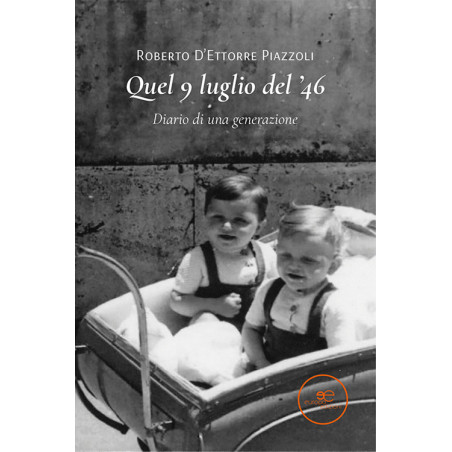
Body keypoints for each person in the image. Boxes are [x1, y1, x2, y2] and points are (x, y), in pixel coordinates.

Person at [242, 205, 357, 368]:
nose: (293, 266)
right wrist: (260, 362)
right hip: (266, 369)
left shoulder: (333, 305)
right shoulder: (269, 291)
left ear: (333, 266)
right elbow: (251, 329)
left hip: (314, 377)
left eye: (308, 260)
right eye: (285, 255)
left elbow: (341, 359)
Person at [170, 175, 278, 331]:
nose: (226, 226)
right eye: (218, 217)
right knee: (206, 319)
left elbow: (280, 291)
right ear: (205, 218)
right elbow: (177, 301)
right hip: (215, 336)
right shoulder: (197, 258)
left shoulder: (266, 254)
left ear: (259, 227)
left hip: (254, 333)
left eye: (239, 220)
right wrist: (214, 305)